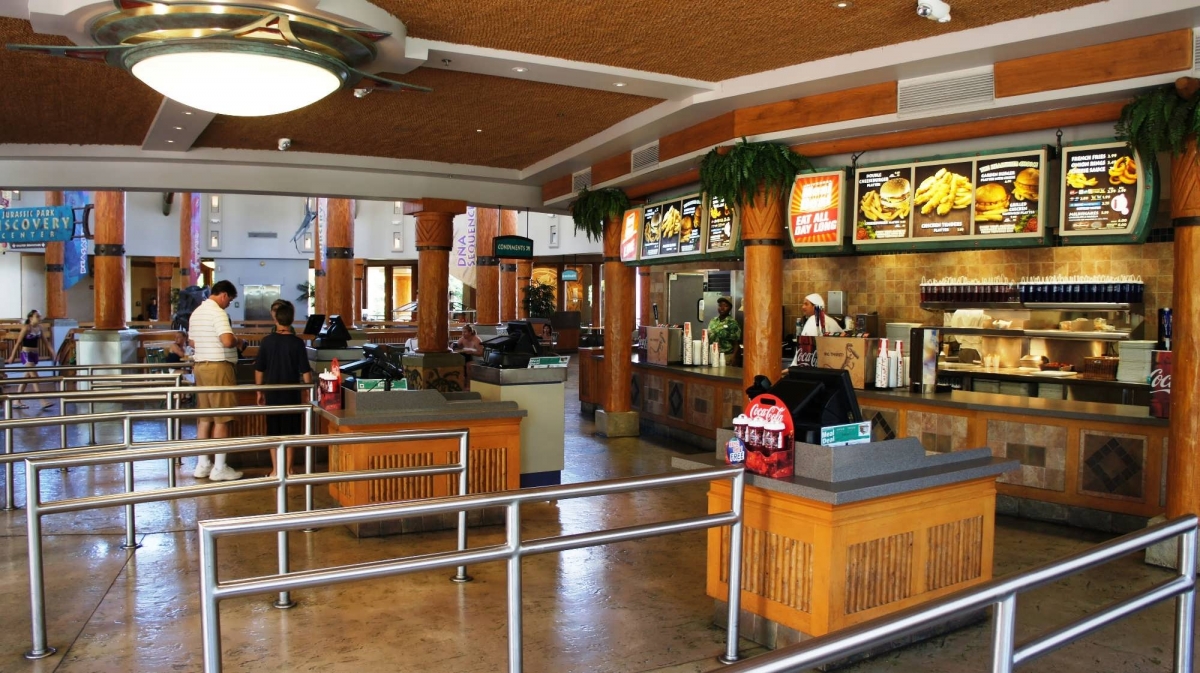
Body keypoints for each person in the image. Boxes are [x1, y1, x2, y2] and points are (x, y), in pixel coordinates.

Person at [189, 280, 243, 481]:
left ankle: (203, 464)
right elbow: (227, 340)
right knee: (222, 417)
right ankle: (220, 468)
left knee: (205, 417)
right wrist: (239, 341)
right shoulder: (218, 313)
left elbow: (192, 341)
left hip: (201, 366)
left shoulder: (197, 312)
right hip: (219, 366)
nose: (228, 304)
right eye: (230, 300)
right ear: (224, 295)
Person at [254, 300, 312, 477]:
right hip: (292, 395)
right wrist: (308, 392)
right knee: (291, 434)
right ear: (292, 319)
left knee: (274, 433)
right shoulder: (297, 343)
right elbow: (305, 372)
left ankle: (275, 470)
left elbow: (259, 369)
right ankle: (288, 469)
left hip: (272, 393)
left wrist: (259, 391)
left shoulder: (266, 342)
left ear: (276, 319)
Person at [5, 310, 55, 409]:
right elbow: (18, 343)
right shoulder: (27, 328)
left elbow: (46, 342)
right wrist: (12, 356)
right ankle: (42, 401)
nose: (39, 318)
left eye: (40, 316)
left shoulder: (40, 328)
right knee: (35, 377)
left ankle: (17, 401)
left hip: (34, 354)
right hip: (26, 354)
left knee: (26, 378)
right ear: (31, 318)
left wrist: (53, 352)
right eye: (37, 316)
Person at [785, 293, 845, 372]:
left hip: (813, 370)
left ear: (816, 307)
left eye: (806, 304)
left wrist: (792, 368)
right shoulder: (831, 321)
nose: (803, 307)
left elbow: (803, 348)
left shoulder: (812, 321)